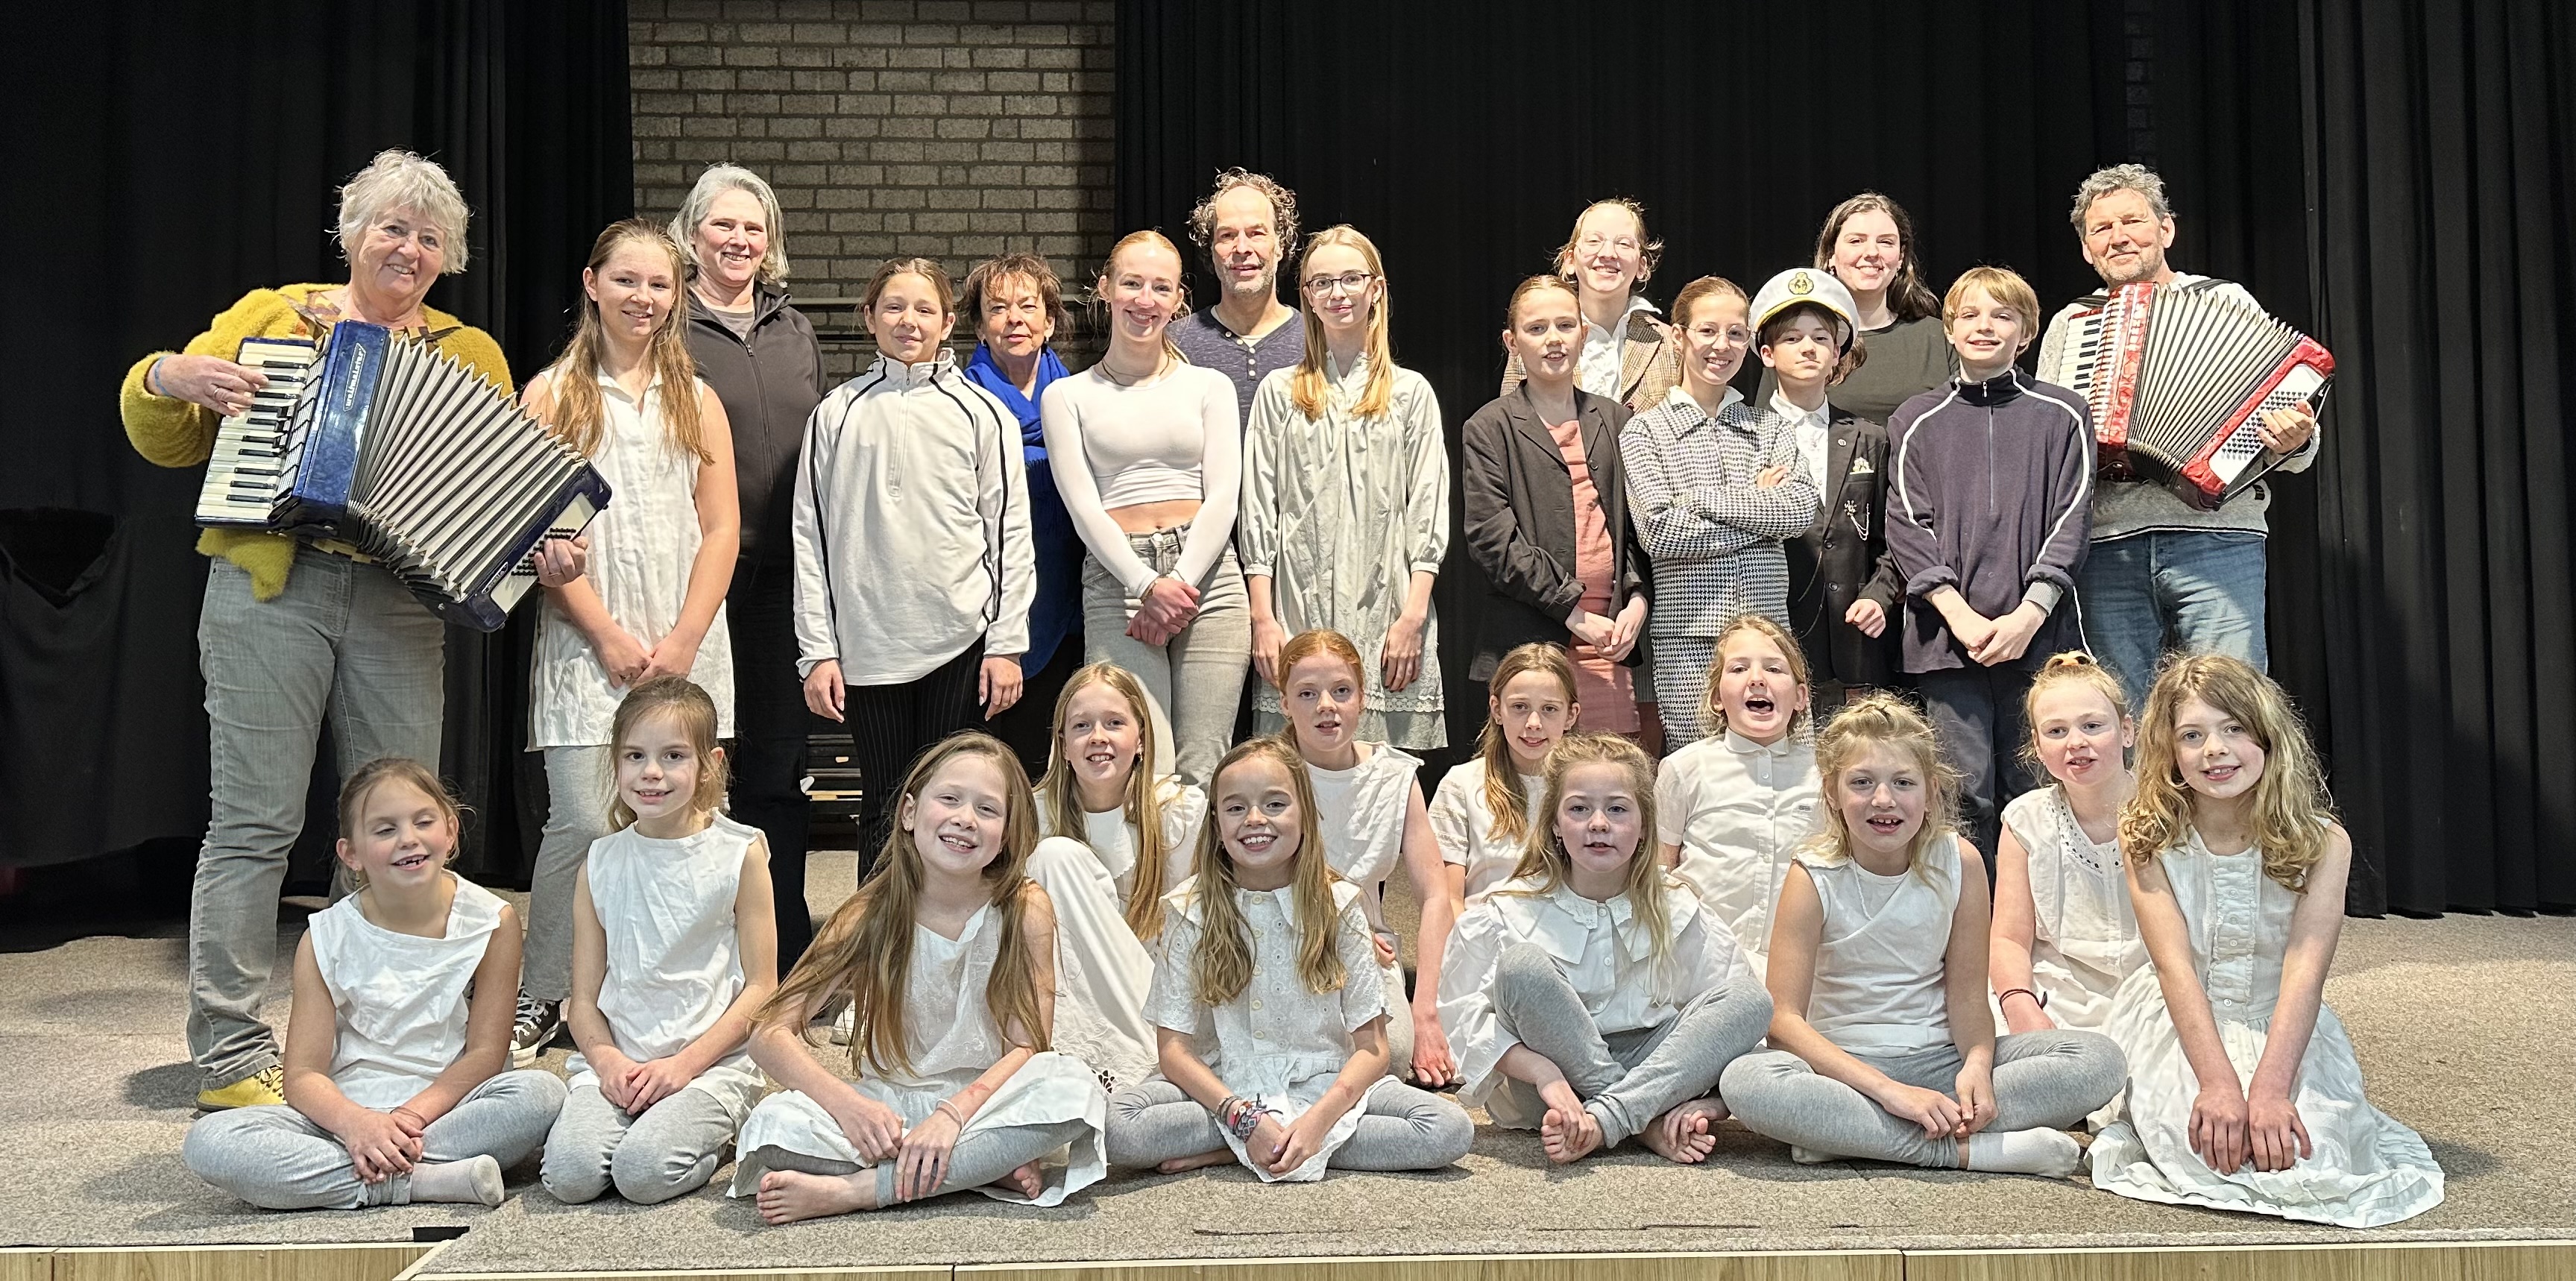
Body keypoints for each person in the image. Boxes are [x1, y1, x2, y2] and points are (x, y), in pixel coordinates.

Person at [122, 151, 528, 1112]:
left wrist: (530, 547)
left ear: (447, 258)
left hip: (397, 603)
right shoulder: (272, 317)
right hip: (271, 588)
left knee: (398, 827)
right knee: (254, 820)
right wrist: (168, 375)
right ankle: (229, 1052)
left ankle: (370, 1038)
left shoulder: (467, 353)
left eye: (429, 238)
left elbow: (495, 492)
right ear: (351, 234)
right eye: (392, 228)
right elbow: (167, 435)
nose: (409, 249)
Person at [2090, 655, 2443, 1227]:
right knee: (2208, 1152)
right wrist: (2217, 1085)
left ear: (2267, 736)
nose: (2215, 750)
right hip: (2186, 1021)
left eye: (2234, 728)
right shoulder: (2146, 838)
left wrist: (2272, 1090)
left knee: (2304, 1156)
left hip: (2280, 1021)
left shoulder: (2324, 844)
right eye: (2192, 735)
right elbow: (2174, 968)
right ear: (2169, 751)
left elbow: (2304, 973)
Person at [1720, 696, 2125, 1177]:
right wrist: (1889, 1093)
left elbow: (1969, 1000)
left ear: (1930, 792)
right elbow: (1783, 1022)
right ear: (1832, 792)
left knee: (2098, 1059)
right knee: (1746, 1080)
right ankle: (1963, 1151)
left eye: (1903, 782)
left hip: (1940, 1062)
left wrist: (1977, 1066)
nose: (1883, 799)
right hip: (1842, 1072)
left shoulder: (1961, 862)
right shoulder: (1812, 874)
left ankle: (1855, 1137)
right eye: (1861, 783)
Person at [516, 219, 742, 1066]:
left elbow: (720, 528)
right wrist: (607, 633)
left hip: (685, 641)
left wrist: (684, 639)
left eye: (659, 284)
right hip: (588, 643)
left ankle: (689, 995)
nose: (643, 298)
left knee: (691, 823)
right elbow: (533, 535)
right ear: (592, 283)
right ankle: (546, 991)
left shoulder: (698, 399)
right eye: (627, 281)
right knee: (581, 823)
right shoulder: (551, 395)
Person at [732, 733, 1107, 1221]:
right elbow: (767, 1034)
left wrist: (952, 1117)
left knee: (1074, 1089)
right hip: (889, 1107)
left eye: (987, 809)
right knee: (771, 1126)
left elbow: (1025, 1046)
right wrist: (849, 1107)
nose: (965, 818)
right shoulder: (867, 913)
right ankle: (975, 1167)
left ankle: (862, 1190)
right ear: (909, 813)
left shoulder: (1025, 907)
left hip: (984, 1103)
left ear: (1009, 835)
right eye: (949, 799)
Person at [182, 760, 567, 1209]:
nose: (408, 839)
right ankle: (420, 1181)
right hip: (344, 1120)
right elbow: (303, 1076)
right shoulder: (324, 937)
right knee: (210, 1140)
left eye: (423, 822)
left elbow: (486, 1054)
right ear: (352, 854)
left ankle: (365, 1172)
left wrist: (408, 1117)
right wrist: (358, 1125)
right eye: (385, 830)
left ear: (450, 831)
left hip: (446, 1110)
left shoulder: (493, 921)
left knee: (541, 1094)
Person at [1103, 737, 1475, 1180]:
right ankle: (1262, 1142)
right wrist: (1242, 1119)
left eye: (1275, 804)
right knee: (1120, 1128)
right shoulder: (1189, 911)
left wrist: (1318, 1123)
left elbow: (1373, 1049)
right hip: (1222, 1087)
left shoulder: (1340, 905)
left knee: (1447, 1128)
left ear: (1305, 816)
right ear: (1216, 823)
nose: (1255, 819)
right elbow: (1174, 1052)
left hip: (1325, 1083)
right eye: (1236, 808)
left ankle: (1261, 1148)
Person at [2034, 165, 2323, 715]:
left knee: (2234, 707)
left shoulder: (2225, 301)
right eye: (2101, 229)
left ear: (2165, 229)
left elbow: (2285, 426)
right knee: (2126, 717)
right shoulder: (2071, 324)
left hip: (2217, 536)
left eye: (2132, 221)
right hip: (2109, 544)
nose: (2118, 236)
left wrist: (2293, 441)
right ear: (2087, 250)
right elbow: (2051, 442)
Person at [793, 258, 1033, 864]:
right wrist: (817, 650)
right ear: (869, 317)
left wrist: (1006, 644)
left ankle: (953, 924)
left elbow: (1010, 535)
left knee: (955, 802)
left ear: (948, 322)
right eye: (894, 307)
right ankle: (877, 929)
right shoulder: (835, 413)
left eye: (925, 309)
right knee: (884, 802)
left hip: (960, 643)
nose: (909, 320)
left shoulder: (983, 413)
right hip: (868, 645)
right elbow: (810, 538)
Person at [1440, 733, 1771, 1166]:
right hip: (1556, 1087)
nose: (1598, 823)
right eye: (1579, 809)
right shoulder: (1508, 909)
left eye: (1617, 809)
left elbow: (1729, 1018)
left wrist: (1717, 1103)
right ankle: (1640, 1121)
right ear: (1555, 824)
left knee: (1751, 998)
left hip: (1654, 1068)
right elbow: (1466, 1020)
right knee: (1522, 968)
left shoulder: (1678, 904)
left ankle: (1609, 1119)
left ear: (1644, 825)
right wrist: (1543, 1073)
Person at [669, 164, 830, 975]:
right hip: (696, 576)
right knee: (692, 760)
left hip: (781, 584)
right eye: (722, 225)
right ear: (692, 233)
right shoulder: (665, 324)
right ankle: (695, 947)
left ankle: (784, 946)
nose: (738, 240)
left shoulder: (795, 330)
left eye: (753, 228)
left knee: (775, 767)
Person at [1886, 267, 2094, 863]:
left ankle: (2036, 913)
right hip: (1948, 641)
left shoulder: (2063, 413)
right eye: (1969, 315)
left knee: (2038, 790)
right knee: (1963, 793)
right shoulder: (1914, 418)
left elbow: (2071, 517)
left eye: (2002, 316)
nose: (1984, 326)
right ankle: (1973, 914)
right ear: (1949, 329)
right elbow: (1906, 525)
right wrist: (1958, 615)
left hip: (2038, 637)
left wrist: (2029, 615)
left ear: (2025, 333)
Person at [541, 679, 776, 1204]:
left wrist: (683, 1067)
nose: (651, 772)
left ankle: (723, 1135)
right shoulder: (599, 861)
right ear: (616, 762)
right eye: (635, 756)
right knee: (571, 1176)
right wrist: (607, 1061)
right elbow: (583, 1000)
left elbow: (762, 988)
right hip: (618, 1064)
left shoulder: (740, 854)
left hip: (708, 1066)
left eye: (673, 756)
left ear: (709, 764)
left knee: (643, 1174)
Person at [1041, 230, 1249, 787]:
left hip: (1207, 580)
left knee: (1205, 768)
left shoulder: (1209, 386)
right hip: (1118, 583)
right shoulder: (1067, 396)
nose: (1145, 299)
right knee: (1139, 770)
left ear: (1178, 299)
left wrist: (1177, 582)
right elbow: (1083, 507)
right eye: (1132, 283)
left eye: (1161, 287)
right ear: (1105, 289)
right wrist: (1145, 585)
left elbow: (1223, 494)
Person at [1242, 226, 1449, 750]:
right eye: (1322, 282)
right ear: (1307, 297)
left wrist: (1412, 617)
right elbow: (1259, 510)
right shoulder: (1279, 393)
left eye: (1351, 279)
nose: (1338, 293)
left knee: (1382, 769)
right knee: (1297, 766)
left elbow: (1427, 510)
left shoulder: (1410, 393)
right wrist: (1263, 618)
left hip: (1389, 610)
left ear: (1375, 288)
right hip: (1297, 607)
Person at [1503, 199, 1683, 749]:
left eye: (1624, 243)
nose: (1608, 254)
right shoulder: (1539, 331)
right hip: (1559, 565)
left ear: (1643, 262)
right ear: (1570, 257)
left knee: (1640, 729)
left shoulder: (1669, 342)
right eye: (1594, 242)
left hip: (1649, 557)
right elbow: (1515, 449)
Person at [1622, 276, 1818, 746]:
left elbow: (1799, 511)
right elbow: (1659, 534)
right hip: (1688, 644)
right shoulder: (1644, 432)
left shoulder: (1770, 426)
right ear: (1678, 336)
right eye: (1708, 331)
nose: (1722, 345)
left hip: (1770, 638)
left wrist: (1702, 502)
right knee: (1700, 773)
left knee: (1787, 769)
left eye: (1735, 333)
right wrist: (1760, 514)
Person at [1463, 276, 1651, 738]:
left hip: (1610, 641)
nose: (1553, 339)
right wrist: (1575, 615)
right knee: (1536, 770)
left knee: (1610, 771)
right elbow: (1493, 542)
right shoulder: (1489, 426)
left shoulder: (1616, 418)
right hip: (1532, 638)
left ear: (1583, 334)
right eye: (1537, 328)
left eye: (1566, 325)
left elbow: (1634, 526)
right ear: (1512, 342)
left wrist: (1637, 600)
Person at [1271, 630, 1456, 1085]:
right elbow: (1240, 880)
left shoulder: (1394, 777)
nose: (1326, 706)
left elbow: (1436, 896)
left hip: (1369, 951)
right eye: (1307, 694)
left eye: (1341, 691)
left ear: (1363, 697)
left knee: (1391, 1056)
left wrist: (1426, 1010)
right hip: (1281, 937)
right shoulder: (1265, 772)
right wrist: (1340, 930)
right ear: (1284, 703)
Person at [1024, 662, 1209, 1093]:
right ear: (1063, 746)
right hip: (1065, 990)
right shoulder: (1036, 816)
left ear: (1141, 739)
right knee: (1055, 856)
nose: (1098, 737)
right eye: (1081, 725)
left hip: (1154, 993)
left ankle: (1143, 1063)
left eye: (1114, 723)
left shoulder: (1180, 812)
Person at [1751, 268, 1901, 711]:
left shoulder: (1869, 438)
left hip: (1857, 637)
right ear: (1767, 353)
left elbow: (1894, 537)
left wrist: (1880, 594)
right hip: (1775, 632)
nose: (1808, 348)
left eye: (1821, 338)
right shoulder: (1743, 437)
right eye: (1792, 338)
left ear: (1837, 353)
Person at [962, 254, 1089, 778]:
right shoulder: (961, 405)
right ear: (978, 327)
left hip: (1071, 604)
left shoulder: (1080, 398)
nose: (1014, 318)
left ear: (1050, 322)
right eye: (997, 308)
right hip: (987, 613)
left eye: (1027, 306)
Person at [1988, 652, 2145, 1044]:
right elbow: (2009, 938)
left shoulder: (2168, 809)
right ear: (2038, 746)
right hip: (2059, 996)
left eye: (2092, 726)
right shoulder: (2026, 820)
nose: (2076, 742)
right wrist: (2020, 1005)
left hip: (2155, 994)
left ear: (2127, 731)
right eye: (2056, 731)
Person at [1654, 614, 1820, 981]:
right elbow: (1660, 871)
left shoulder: (1826, 773)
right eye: (1739, 668)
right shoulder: (1683, 769)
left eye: (1774, 668)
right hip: (1701, 965)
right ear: (1717, 697)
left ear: (1801, 697)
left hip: (1798, 969)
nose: (1757, 679)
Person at [1758, 193, 1953, 424]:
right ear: (1830, 254)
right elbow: (1767, 430)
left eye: (1886, 242)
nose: (1872, 253)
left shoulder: (1938, 338)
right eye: (1856, 241)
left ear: (1901, 257)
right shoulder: (1794, 341)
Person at [1429, 643, 1581, 902]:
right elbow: (1447, 900)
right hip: (1484, 925)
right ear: (1497, 709)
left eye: (1549, 709)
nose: (1533, 724)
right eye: (1520, 707)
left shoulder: (1588, 789)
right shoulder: (1461, 784)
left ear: (1571, 715)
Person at [1172, 169, 1305, 426]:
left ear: (1280, 246)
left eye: (1257, 233)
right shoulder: (1173, 345)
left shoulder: (1320, 341)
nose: (1242, 249)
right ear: (1211, 250)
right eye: (1227, 235)